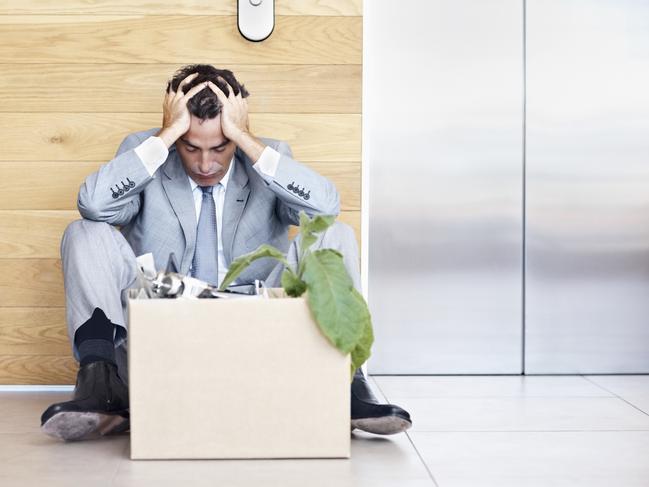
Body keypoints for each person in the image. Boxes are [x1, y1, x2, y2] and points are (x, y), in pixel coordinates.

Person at [40, 64, 412, 441]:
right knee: (84, 233)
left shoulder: (268, 156)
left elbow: (324, 209)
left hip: (255, 322)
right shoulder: (147, 153)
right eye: (191, 147)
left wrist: (247, 141)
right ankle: (101, 384)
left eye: (220, 147)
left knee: (333, 235)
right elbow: (93, 205)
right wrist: (165, 136)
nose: (206, 164)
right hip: (164, 322)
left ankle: (346, 385)